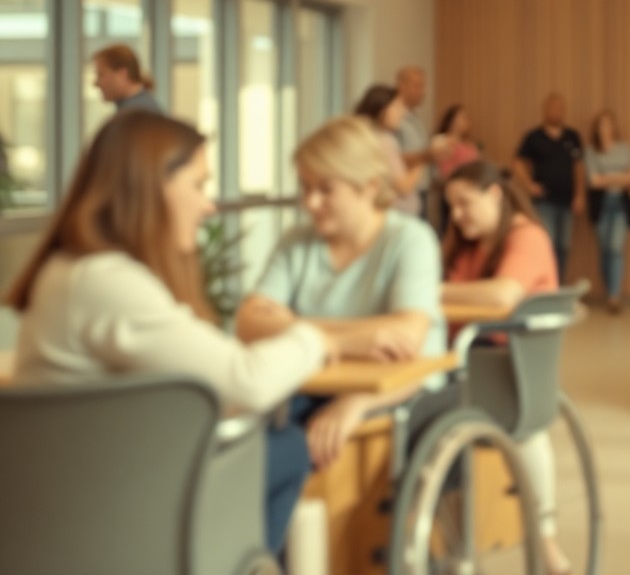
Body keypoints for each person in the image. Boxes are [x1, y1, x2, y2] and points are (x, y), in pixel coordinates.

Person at [6, 111, 335, 556]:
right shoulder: (105, 282)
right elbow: (248, 381)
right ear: (151, 186)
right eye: (199, 185)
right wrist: (314, 339)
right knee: (288, 447)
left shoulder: (71, 273)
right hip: (110, 515)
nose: (209, 205)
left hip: (67, 505)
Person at [235, 115, 445, 551]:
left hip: (393, 394)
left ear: (369, 186)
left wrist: (357, 398)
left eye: (325, 189)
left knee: (277, 453)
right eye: (305, 187)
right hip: (305, 387)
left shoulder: (410, 241)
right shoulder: (297, 242)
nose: (310, 202)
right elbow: (249, 322)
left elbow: (407, 336)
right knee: (244, 446)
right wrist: (351, 340)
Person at [440, 160, 571, 575]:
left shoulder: (526, 237)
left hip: (502, 368)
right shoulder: (465, 244)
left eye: (465, 204)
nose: (457, 216)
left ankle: (545, 541)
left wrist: (431, 290)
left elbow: (501, 297)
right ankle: (455, 548)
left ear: (495, 195)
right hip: (455, 360)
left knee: (452, 425)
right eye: (451, 207)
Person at [513, 94, 585, 279]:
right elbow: (518, 163)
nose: (557, 111)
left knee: (564, 246)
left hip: (567, 201)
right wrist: (529, 185)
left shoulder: (572, 136)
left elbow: (578, 167)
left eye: (560, 108)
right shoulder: (534, 137)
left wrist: (579, 195)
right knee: (547, 242)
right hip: (544, 201)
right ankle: (546, 284)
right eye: (553, 107)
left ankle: (558, 284)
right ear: (545, 109)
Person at [584, 110, 630, 315]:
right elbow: (593, 181)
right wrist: (620, 177)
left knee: (616, 248)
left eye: (609, 124)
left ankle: (614, 297)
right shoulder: (591, 151)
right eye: (602, 125)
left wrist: (608, 177)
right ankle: (609, 290)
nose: (606, 128)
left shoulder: (625, 149)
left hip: (620, 203)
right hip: (601, 204)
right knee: (605, 249)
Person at [354, 84, 422, 216]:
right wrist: (421, 162)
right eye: (397, 107)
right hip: (396, 213)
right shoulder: (384, 140)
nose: (402, 113)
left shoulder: (364, 137)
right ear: (382, 110)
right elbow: (403, 187)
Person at [431, 104, 481, 236]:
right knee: (450, 230)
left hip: (471, 191)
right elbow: (443, 170)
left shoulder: (469, 144)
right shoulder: (443, 141)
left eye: (466, 118)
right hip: (452, 192)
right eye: (461, 117)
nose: (464, 121)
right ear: (451, 120)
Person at [394, 66, 435, 219]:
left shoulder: (415, 118)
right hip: (403, 193)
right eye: (417, 86)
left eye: (424, 87)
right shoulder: (394, 121)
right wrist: (426, 156)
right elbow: (394, 158)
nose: (422, 92)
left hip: (421, 188)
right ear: (401, 86)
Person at [92, 44, 162, 113]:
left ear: (122, 74)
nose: (96, 83)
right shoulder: (133, 108)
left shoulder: (138, 113)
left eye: (101, 75)